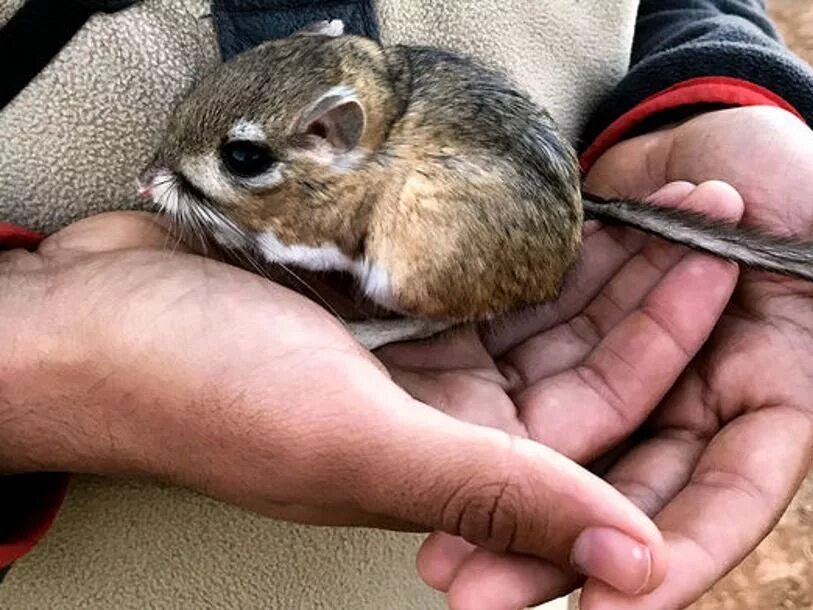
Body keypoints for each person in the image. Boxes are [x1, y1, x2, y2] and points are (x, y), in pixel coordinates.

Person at [1, 2, 811, 610]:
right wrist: (31, 358)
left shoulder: (340, 177)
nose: (158, 188)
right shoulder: (329, 129)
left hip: (448, 529)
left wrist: (700, 82)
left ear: (334, 135)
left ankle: (421, 310)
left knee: (396, 249)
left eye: (241, 161)